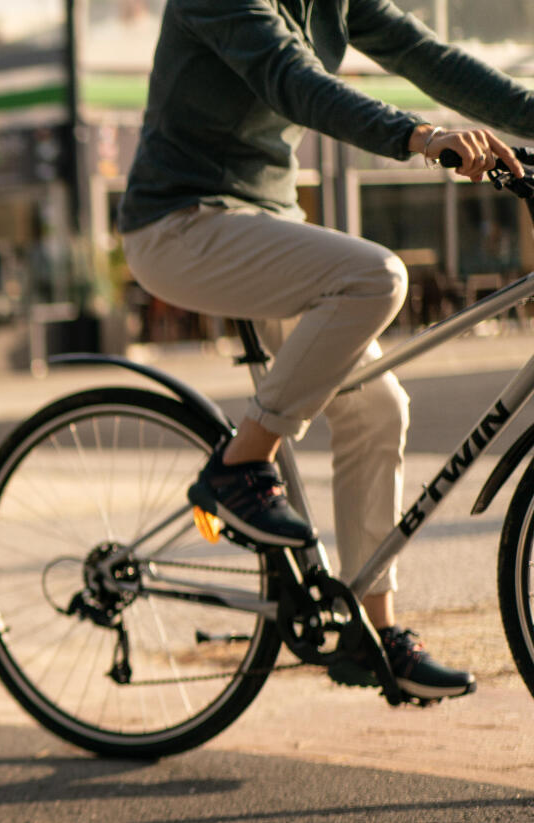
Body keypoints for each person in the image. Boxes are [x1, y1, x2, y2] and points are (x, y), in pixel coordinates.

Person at [118, 0, 534, 701]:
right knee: (376, 275)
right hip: (179, 223)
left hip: (265, 225)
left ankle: (371, 637)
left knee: (379, 408)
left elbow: (427, 57)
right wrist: (420, 136)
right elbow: (295, 82)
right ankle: (239, 466)